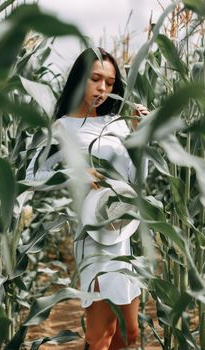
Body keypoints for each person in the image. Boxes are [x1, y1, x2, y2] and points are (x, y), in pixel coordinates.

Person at [26, 47, 148, 350]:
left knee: (128, 334)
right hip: (92, 237)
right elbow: (33, 176)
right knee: (99, 337)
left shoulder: (119, 124)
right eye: (95, 79)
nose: (103, 89)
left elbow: (135, 180)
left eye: (109, 82)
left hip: (122, 231)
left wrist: (142, 138)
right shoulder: (62, 128)